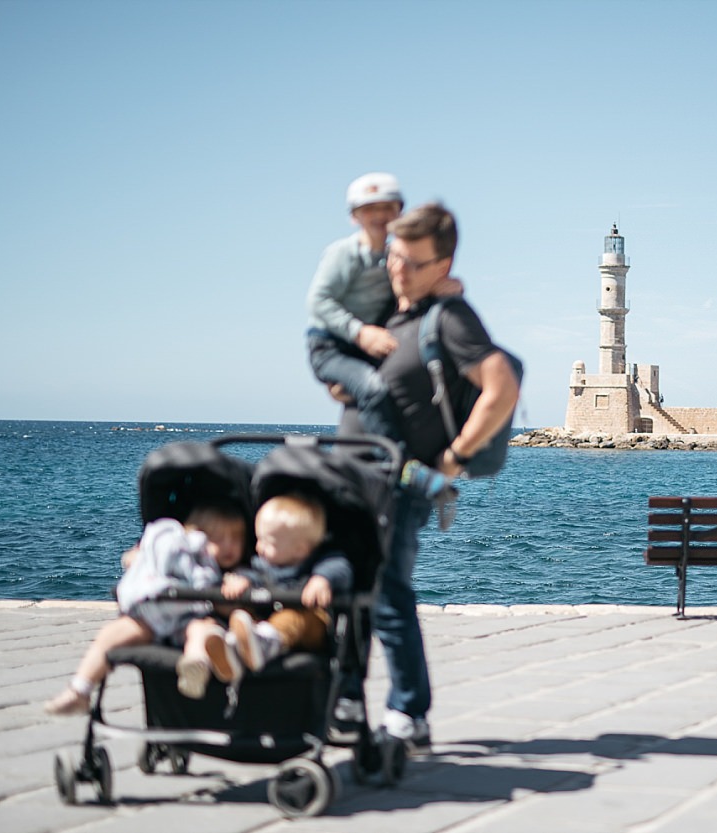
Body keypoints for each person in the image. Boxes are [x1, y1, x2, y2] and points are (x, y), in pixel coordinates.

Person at [373, 202, 520, 752]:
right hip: (359, 468)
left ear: (442, 262)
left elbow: (501, 384)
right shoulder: (393, 309)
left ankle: (409, 713)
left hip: (405, 478)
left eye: (412, 262)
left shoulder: (449, 316)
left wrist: (454, 458)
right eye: (394, 257)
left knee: (388, 590)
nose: (398, 270)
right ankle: (341, 700)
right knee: (342, 584)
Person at [44, 504, 248, 715]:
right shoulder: (176, 554)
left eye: (236, 539)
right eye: (219, 539)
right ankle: (80, 689)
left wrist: (234, 590)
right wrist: (139, 559)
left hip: (194, 617)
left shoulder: (231, 574)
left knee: (203, 631)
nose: (229, 546)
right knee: (112, 633)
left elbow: (228, 605)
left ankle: (196, 664)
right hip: (153, 618)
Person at [305, 172, 406, 440]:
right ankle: (398, 462)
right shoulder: (344, 253)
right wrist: (360, 333)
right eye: (369, 209)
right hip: (330, 347)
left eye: (387, 207)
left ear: (399, 212)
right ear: (354, 216)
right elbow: (318, 301)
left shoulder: (395, 256)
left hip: (365, 346)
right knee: (373, 388)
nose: (379, 215)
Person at [218, 493, 354, 674]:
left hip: (309, 621)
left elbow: (341, 568)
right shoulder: (263, 565)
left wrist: (322, 579)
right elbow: (253, 574)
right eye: (258, 539)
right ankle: (235, 645)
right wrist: (242, 580)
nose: (259, 547)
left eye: (268, 542)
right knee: (241, 613)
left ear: (300, 550)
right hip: (266, 617)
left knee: (291, 618)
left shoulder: (320, 562)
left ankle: (263, 644)